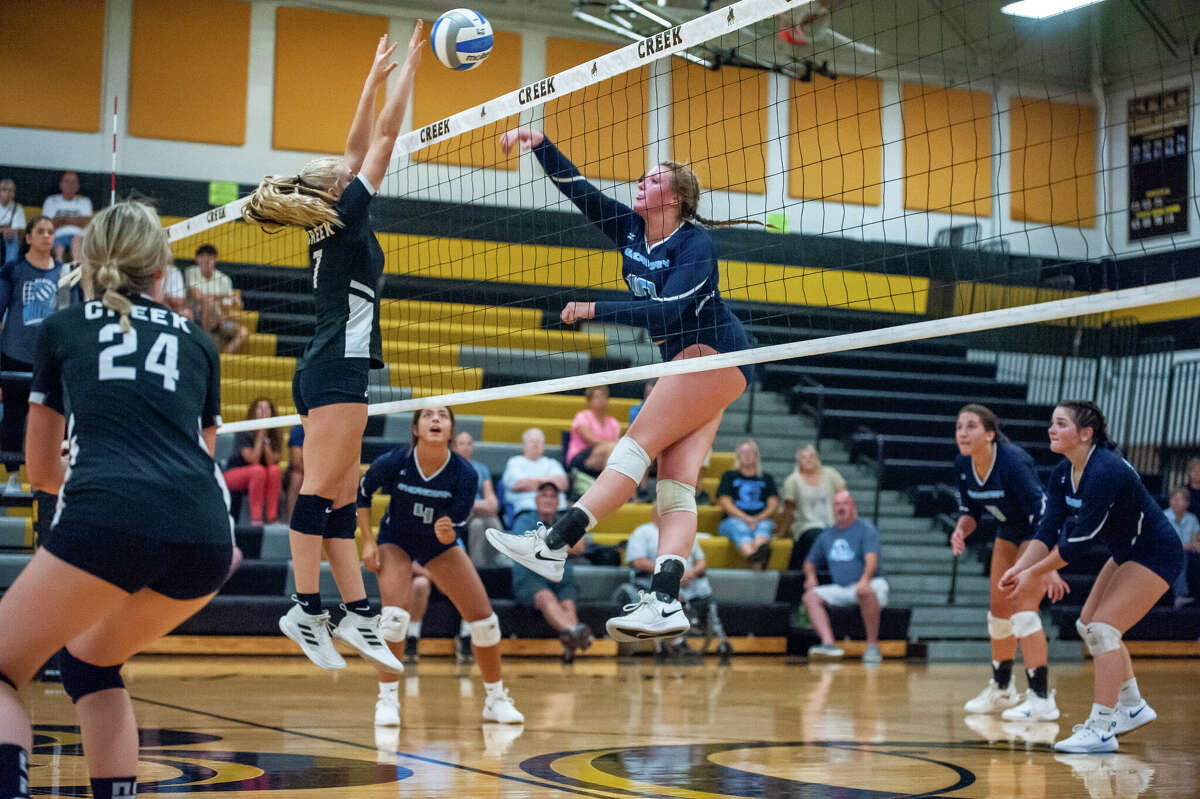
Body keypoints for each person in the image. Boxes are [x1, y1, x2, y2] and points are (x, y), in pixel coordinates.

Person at [487, 126, 761, 643]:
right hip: (689, 364)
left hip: (714, 355)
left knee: (633, 446)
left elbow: (669, 308)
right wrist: (540, 142)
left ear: (674, 197)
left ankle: (554, 543)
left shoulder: (694, 243)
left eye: (652, 179)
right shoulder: (632, 230)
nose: (640, 182)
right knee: (675, 489)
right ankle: (664, 601)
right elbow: (580, 190)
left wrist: (595, 309)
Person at [0, 201, 232, 799]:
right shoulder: (201, 343)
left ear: (87, 259)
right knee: (90, 666)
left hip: (108, 517)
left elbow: (41, 470)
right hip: (206, 539)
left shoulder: (63, 328)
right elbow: (201, 457)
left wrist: (90, 469)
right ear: (161, 270)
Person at [242, 26, 425, 674]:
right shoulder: (343, 214)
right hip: (336, 370)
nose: (352, 168)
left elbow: (357, 145)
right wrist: (412, 71)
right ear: (336, 189)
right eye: (345, 174)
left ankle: (359, 613)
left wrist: (373, 76)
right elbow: (383, 139)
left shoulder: (327, 218)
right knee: (319, 496)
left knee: (342, 501)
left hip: (324, 367)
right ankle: (305, 605)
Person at [1000, 401, 1183, 754]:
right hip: (1127, 552)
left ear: (1085, 434)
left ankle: (1102, 728)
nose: (1051, 430)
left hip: (1157, 551)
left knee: (1104, 629)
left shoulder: (1105, 472)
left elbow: (1078, 544)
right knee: (1089, 626)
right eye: (1051, 423)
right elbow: (1047, 531)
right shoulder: (1061, 474)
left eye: (1060, 424)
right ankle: (1132, 706)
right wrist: (1018, 569)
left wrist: (1033, 575)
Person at [357, 406, 523, 726]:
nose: (436, 419)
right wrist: (367, 540)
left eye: (443, 416)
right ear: (416, 428)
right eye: (428, 415)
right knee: (394, 617)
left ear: (450, 430)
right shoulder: (396, 461)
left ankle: (495, 699)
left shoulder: (465, 473)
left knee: (485, 621)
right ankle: (387, 701)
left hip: (438, 544)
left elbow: (459, 519)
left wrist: (450, 530)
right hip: (397, 540)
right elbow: (361, 493)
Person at [950, 403, 1066, 722]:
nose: (962, 432)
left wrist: (1050, 564)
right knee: (999, 612)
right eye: (959, 426)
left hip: (1037, 531)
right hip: (1009, 531)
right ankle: (1002, 690)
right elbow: (971, 512)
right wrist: (961, 529)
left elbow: (1045, 514)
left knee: (1024, 611)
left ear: (989, 434)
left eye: (971, 426)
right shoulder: (963, 463)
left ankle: (1042, 698)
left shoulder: (1013, 461)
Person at [0, 216, 66, 494]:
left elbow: (66, 316)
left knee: (53, 419)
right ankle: (13, 477)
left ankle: (51, 479)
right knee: (14, 415)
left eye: (51, 232)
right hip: (15, 355)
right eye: (40, 231)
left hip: (49, 359)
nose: (47, 236)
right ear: (28, 238)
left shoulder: (65, 272)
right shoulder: (13, 270)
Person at [802, 491, 889, 664]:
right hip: (843, 587)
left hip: (872, 581)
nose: (841, 508)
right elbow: (809, 562)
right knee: (810, 597)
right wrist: (810, 577)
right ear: (833, 509)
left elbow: (871, 560)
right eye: (837, 505)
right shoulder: (826, 536)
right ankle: (828, 644)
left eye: (845, 504)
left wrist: (865, 581)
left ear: (853, 507)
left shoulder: (866, 529)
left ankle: (872, 646)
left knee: (865, 591)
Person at [511, 482, 591, 663]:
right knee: (546, 598)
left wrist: (546, 545)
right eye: (544, 495)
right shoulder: (524, 519)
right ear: (536, 500)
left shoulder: (564, 520)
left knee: (568, 605)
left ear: (557, 502)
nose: (548, 499)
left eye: (552, 496)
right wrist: (560, 545)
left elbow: (579, 547)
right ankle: (576, 631)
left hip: (560, 577)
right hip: (530, 577)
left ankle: (571, 647)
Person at [626, 508, 722, 657]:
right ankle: (677, 641)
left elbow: (701, 561)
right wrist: (670, 575)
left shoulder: (685, 532)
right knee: (670, 592)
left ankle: (707, 632)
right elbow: (638, 561)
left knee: (705, 591)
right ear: (655, 512)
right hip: (656, 580)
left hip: (689, 580)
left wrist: (692, 573)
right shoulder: (643, 532)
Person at [717, 440, 779, 568]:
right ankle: (758, 559)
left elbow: (773, 504)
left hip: (761, 519)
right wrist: (747, 519)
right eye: (743, 452)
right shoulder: (729, 476)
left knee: (763, 527)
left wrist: (757, 519)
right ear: (738, 456)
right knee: (740, 527)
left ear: (756, 456)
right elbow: (725, 503)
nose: (747, 455)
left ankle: (755, 558)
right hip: (732, 520)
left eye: (751, 452)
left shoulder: (766, 478)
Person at [223, 398, 283, 526]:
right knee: (258, 470)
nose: (264, 412)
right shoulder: (245, 430)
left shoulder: (275, 433)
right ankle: (256, 519)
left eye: (267, 409)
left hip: (260, 475)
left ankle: (271, 517)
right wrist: (260, 434)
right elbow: (253, 460)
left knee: (275, 470)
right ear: (253, 412)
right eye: (260, 408)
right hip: (233, 474)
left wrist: (265, 438)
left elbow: (272, 462)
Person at [452, 430, 505, 568]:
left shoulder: (481, 469)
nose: (465, 447)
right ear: (454, 447)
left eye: (469, 443)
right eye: (461, 443)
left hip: (480, 514)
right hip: (460, 515)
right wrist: (479, 506)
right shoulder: (450, 468)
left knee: (491, 522)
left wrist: (473, 506)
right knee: (477, 525)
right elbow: (456, 501)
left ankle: (496, 563)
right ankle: (478, 569)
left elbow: (493, 504)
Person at [184, 244, 247, 353]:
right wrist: (228, 296)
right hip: (195, 317)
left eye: (210, 258)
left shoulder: (224, 279)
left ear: (215, 260)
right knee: (208, 303)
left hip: (218, 321)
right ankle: (206, 339)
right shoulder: (191, 272)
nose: (206, 262)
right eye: (203, 258)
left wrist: (225, 316)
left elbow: (226, 309)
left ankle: (223, 357)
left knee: (243, 332)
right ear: (197, 260)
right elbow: (198, 296)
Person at [500, 428, 567, 530]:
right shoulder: (515, 462)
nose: (535, 444)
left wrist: (531, 482)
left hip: (559, 513)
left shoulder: (552, 463)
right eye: (532, 441)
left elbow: (562, 484)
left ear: (543, 446)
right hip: (527, 511)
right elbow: (518, 484)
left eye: (538, 441)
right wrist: (548, 482)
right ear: (524, 445)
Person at [566, 386, 621, 483]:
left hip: (605, 456)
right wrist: (610, 445)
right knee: (611, 448)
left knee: (617, 451)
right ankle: (607, 486)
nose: (600, 399)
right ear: (589, 401)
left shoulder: (613, 422)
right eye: (596, 397)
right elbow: (590, 440)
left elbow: (617, 445)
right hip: (581, 457)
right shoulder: (582, 416)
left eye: (603, 396)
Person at [41, 171, 92, 263]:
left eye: (73, 182)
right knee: (59, 248)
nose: (70, 185)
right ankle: (59, 269)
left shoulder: (85, 201)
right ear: (61, 184)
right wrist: (76, 221)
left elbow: (87, 223)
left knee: (77, 241)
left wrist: (63, 220)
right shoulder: (51, 201)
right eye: (67, 181)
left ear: (78, 186)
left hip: (79, 237)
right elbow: (48, 225)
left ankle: (77, 269)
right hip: (57, 236)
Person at [1165, 487, 1199, 605]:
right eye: (1172, 499)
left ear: (1187, 503)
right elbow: (1168, 543)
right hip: (1168, 550)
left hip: (1187, 551)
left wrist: (1195, 546)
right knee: (1180, 555)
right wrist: (1189, 546)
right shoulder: (1164, 516)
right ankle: (1180, 595)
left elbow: (1194, 542)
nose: (1174, 502)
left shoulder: (1192, 519)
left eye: (1179, 499)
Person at [0, 180, 25, 268]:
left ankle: (9, 268)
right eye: (4, 190)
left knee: (12, 236)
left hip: (9, 239)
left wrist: (6, 231)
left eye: (10, 190)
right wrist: (3, 230)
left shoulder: (17, 208)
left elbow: (19, 230)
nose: (7, 193)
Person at [284, 423, 305, 520]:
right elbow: (296, 463)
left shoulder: (328, 428)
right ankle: (291, 521)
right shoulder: (298, 428)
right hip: (303, 471)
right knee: (296, 477)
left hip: (320, 471)